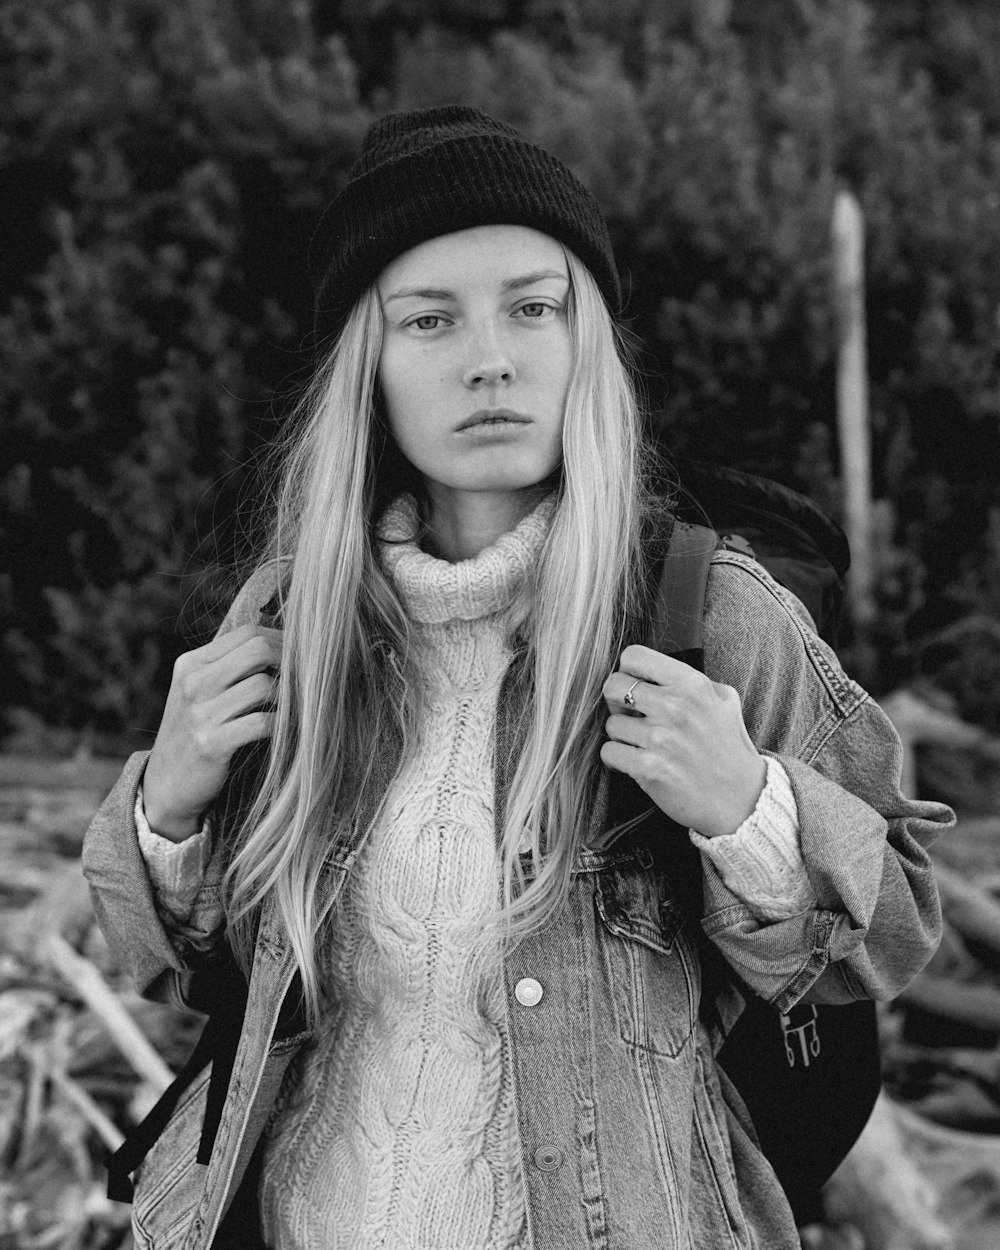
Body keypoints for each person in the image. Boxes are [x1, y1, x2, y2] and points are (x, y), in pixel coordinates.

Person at [82, 105, 951, 1250]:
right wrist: (166, 805)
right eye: (429, 319)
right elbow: (167, 966)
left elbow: (889, 937)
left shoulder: (707, 616)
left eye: (532, 306)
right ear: (369, 366)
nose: (489, 355)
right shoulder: (293, 622)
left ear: (584, 336)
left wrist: (749, 809)